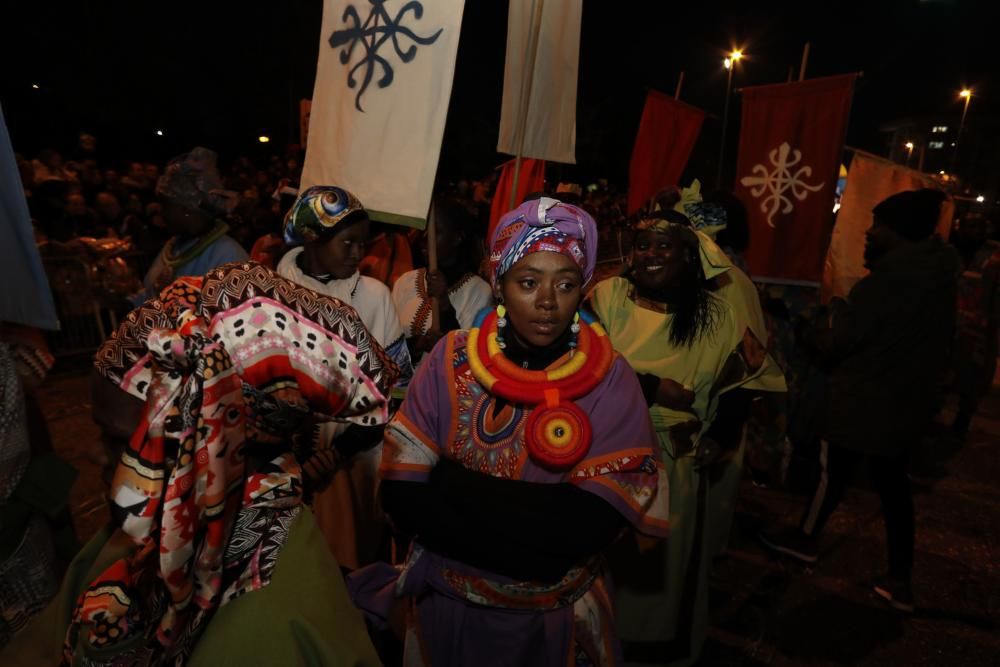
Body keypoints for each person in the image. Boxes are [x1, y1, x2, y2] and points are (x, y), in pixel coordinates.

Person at [1, 263, 394, 665]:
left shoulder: (271, 623)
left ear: (210, 447)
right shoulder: (144, 532)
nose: (94, 455)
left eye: (119, 441)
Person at [349, 197, 669, 666]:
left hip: (550, 625)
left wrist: (449, 483)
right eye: (528, 282)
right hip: (446, 612)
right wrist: (535, 521)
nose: (547, 301)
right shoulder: (450, 359)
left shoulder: (609, 378)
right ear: (499, 286)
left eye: (566, 284)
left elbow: (583, 530)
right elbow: (401, 493)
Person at [589, 209, 782, 666]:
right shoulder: (606, 297)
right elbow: (582, 364)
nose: (650, 254)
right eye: (642, 244)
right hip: (607, 456)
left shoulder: (718, 315)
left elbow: (745, 381)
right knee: (603, 573)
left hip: (675, 467)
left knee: (663, 581)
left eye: (664, 245)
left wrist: (723, 431)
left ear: (689, 254)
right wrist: (652, 388)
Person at [759, 189, 959, 613]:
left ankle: (806, 539)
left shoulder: (890, 281)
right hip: (904, 401)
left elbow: (839, 340)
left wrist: (813, 324)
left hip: (867, 399)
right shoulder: (936, 275)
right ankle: (898, 578)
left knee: (834, 471)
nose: (870, 232)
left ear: (897, 231)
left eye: (877, 224)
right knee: (891, 485)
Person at [278, 185, 413, 570]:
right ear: (313, 238)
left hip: (358, 456)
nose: (359, 253)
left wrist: (337, 452)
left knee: (350, 566)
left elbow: (396, 388)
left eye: (363, 243)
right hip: (286, 454)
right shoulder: (273, 294)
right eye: (348, 242)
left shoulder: (374, 296)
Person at [136, 147, 248, 304]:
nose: (162, 213)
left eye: (166, 207)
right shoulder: (175, 248)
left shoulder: (229, 257)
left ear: (187, 210)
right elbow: (146, 298)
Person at [392, 195, 493, 368]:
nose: (425, 239)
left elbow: (470, 356)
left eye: (435, 232)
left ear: (457, 237)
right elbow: (387, 345)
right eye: (423, 232)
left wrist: (444, 303)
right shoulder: (405, 282)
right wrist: (416, 345)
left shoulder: (480, 291)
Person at [950, 209, 1000, 436]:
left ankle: (963, 420)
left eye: (977, 227)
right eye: (968, 226)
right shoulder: (951, 253)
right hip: (949, 324)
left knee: (971, 379)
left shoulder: (993, 258)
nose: (973, 231)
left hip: (977, 331)